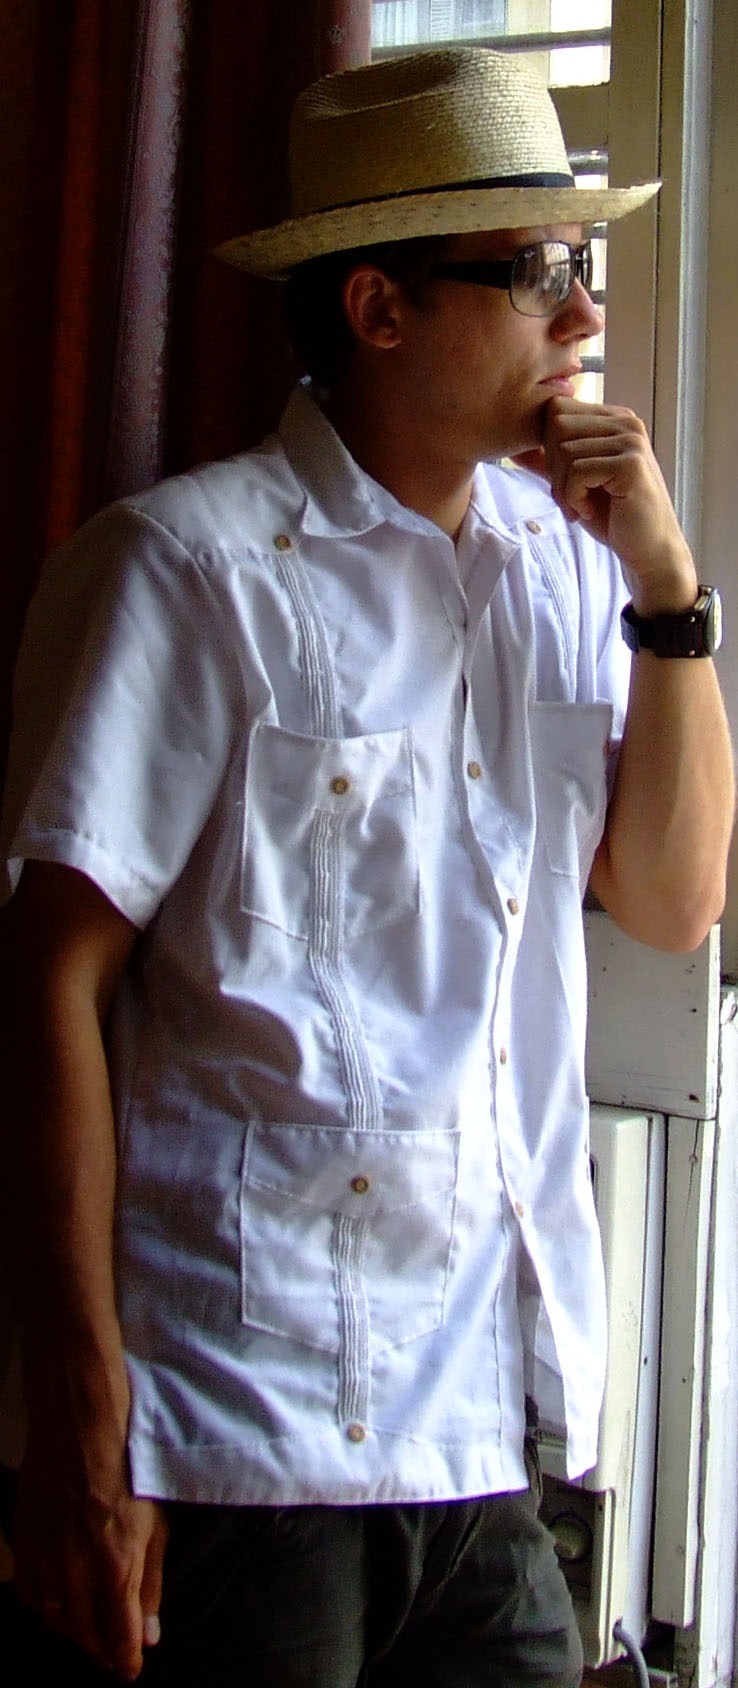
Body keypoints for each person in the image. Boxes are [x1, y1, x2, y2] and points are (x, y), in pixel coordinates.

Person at [0, 44, 733, 1688]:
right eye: (532, 272)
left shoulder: (565, 570)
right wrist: (78, 1417)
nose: (583, 314)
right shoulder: (185, 571)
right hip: (237, 1423)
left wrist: (667, 589)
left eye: (582, 264)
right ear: (378, 308)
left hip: (484, 1410)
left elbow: (671, 901)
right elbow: (47, 983)